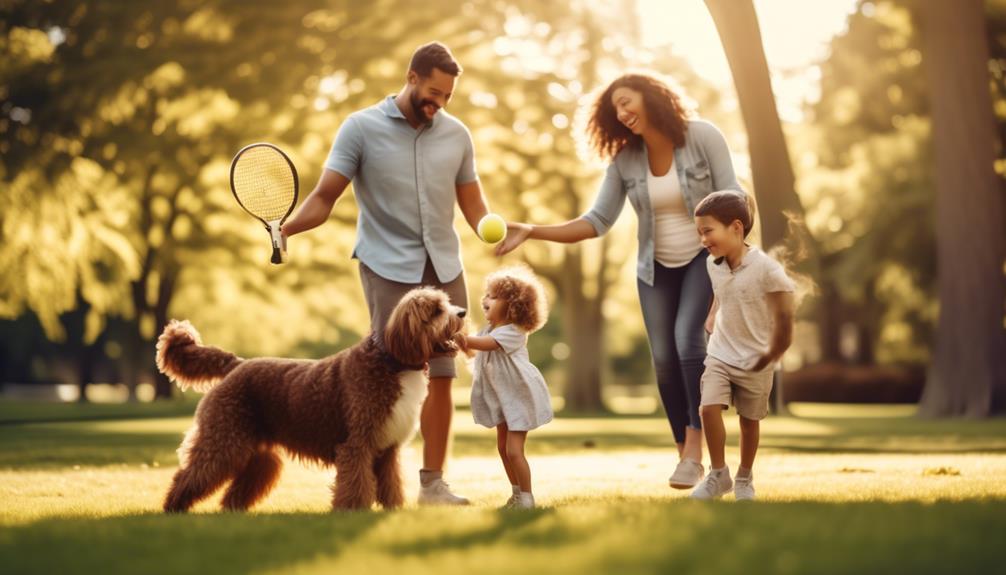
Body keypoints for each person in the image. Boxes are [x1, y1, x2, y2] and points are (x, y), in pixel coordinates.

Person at [495, 72, 745, 489]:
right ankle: (687, 453)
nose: (623, 113)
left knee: (688, 342)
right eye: (615, 110)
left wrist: (731, 273)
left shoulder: (702, 136)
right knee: (664, 359)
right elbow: (596, 222)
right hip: (654, 270)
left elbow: (734, 197)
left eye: (627, 102)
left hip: (705, 261)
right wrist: (532, 230)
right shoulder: (627, 159)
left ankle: (700, 454)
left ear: (652, 97)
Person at [282, 41, 492, 506]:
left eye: (447, 96)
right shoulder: (360, 128)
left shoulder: (456, 135)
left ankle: (432, 484)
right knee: (386, 372)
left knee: (443, 372)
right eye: (433, 91)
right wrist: (287, 228)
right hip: (387, 265)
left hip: (445, 263)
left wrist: (493, 230)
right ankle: (368, 477)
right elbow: (324, 197)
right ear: (412, 77)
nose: (438, 103)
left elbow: (474, 205)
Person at [689, 191, 796, 501]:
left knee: (749, 423)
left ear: (736, 227)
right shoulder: (713, 264)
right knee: (708, 407)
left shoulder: (767, 269)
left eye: (708, 231)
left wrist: (773, 355)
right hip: (720, 352)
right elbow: (721, 294)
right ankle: (718, 474)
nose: (703, 240)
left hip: (757, 358)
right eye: (700, 232)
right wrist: (712, 315)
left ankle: (745, 478)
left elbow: (786, 317)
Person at [456, 265, 552, 509]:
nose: (485, 299)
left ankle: (527, 498)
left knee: (513, 450)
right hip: (503, 397)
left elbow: (485, 345)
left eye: (494, 296)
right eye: (486, 294)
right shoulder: (489, 329)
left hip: (520, 395)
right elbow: (475, 348)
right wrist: (455, 341)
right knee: (502, 447)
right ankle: (517, 493)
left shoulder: (513, 332)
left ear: (513, 306)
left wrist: (458, 337)